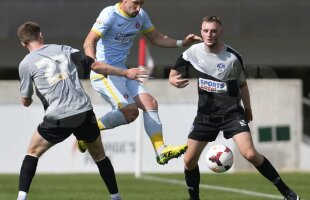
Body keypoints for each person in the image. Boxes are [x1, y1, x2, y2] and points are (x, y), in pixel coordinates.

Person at [169, 16, 300, 200]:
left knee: (250, 153)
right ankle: (194, 198)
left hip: (231, 114)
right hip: (205, 116)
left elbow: (243, 85)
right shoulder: (193, 52)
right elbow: (173, 74)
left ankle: (286, 191)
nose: (209, 34)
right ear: (201, 31)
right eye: (206, 31)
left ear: (220, 32)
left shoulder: (232, 57)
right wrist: (173, 80)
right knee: (189, 160)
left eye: (214, 31)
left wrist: (248, 109)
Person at [16, 21, 146, 200]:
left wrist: (28, 97)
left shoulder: (25, 64)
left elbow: (26, 101)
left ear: (23, 44)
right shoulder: (63, 49)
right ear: (40, 35)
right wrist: (125, 73)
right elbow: (95, 65)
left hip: (58, 117)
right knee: (100, 156)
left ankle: (21, 198)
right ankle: (116, 197)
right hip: (83, 113)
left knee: (32, 152)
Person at [81, 0, 202, 165]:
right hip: (104, 74)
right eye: (135, 3)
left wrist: (182, 43)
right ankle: (88, 130)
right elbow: (89, 40)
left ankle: (161, 151)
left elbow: (156, 38)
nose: (138, 8)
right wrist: (93, 62)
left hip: (124, 72)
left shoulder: (141, 15)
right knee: (131, 112)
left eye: (141, 4)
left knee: (150, 103)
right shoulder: (110, 14)